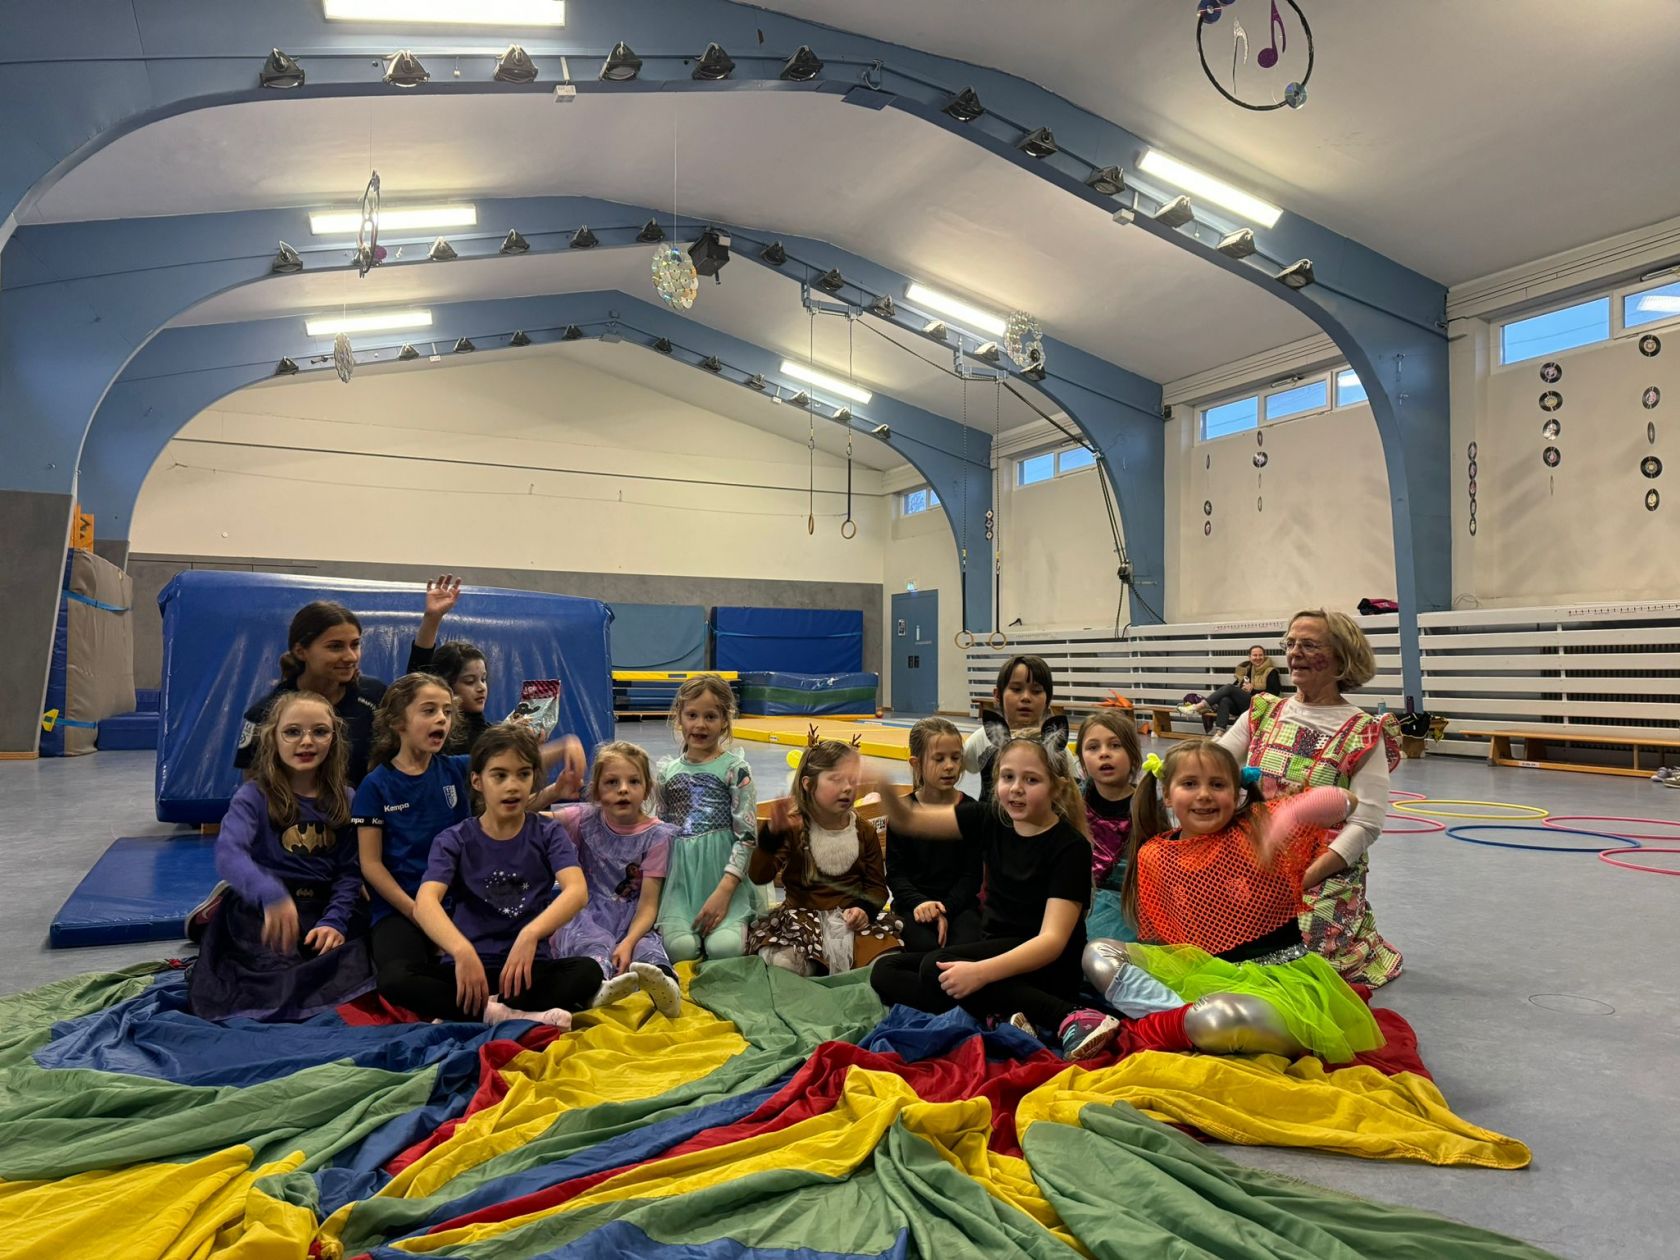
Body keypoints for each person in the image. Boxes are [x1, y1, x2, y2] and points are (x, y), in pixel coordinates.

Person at [1084, 739, 1384, 1063]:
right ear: (1167, 795)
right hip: (1199, 975)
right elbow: (1165, 940)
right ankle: (1184, 1019)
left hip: (1276, 981)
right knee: (1097, 954)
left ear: (1236, 792)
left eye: (1217, 785)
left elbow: (1346, 801)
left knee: (1220, 1017)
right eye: (1189, 784)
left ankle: (1173, 1024)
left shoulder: (1255, 826)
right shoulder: (1155, 854)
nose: (1204, 794)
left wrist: (1288, 817)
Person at [867, 721, 1123, 1061]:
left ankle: (1068, 1015)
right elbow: (911, 819)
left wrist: (980, 973)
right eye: (1007, 777)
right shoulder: (991, 819)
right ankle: (1003, 1011)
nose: (1016, 789)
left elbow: (1052, 941)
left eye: (1031, 780)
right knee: (886, 971)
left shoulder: (1069, 846)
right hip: (997, 947)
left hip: (1045, 964)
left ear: (1057, 787)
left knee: (935, 968)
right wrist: (877, 781)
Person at [353, 673, 583, 1014]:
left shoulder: (454, 769)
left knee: (572, 971)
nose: (441, 719)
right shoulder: (376, 785)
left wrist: (564, 748)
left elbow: (508, 770)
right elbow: (371, 865)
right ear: (398, 721)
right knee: (397, 978)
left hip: (460, 901)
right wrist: (418, 914)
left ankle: (487, 1004)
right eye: (429, 711)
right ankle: (494, 1011)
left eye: (447, 712)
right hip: (404, 907)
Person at [1216, 609, 1404, 988]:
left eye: (1309, 645)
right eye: (1290, 644)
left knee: (1295, 963)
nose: (1295, 653)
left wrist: (1302, 878)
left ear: (1341, 657)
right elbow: (1212, 764)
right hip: (1254, 862)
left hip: (1320, 874)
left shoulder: (1364, 731)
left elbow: (1365, 825)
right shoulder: (1263, 712)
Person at [188, 691, 374, 1020]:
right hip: (266, 910)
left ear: (334, 738)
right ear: (273, 737)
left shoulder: (347, 798)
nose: (307, 741)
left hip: (320, 908)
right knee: (265, 986)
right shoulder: (253, 797)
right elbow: (229, 853)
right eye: (292, 732)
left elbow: (349, 870)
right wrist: (270, 894)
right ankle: (226, 902)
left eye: (320, 731)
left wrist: (334, 920)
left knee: (353, 973)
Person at [405, 725, 601, 1025]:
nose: (513, 786)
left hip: (525, 968)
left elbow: (577, 891)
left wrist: (530, 934)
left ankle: (484, 1011)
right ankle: (512, 1013)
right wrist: (461, 950)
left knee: (588, 971)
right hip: (470, 969)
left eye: (523, 774)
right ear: (477, 781)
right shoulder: (454, 838)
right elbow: (425, 903)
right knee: (396, 980)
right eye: (499, 776)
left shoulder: (548, 833)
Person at [234, 573, 463, 784]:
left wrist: (432, 619)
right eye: (335, 647)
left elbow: (418, 690)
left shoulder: (373, 695)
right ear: (301, 651)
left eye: (355, 645)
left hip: (365, 812)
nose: (350, 656)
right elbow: (255, 788)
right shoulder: (265, 714)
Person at [547, 741, 684, 1018]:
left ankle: (666, 986)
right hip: (588, 914)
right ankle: (598, 987)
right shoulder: (583, 819)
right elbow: (522, 816)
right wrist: (554, 791)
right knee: (593, 945)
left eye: (633, 781)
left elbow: (648, 905)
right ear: (596, 790)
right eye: (612, 782)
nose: (623, 789)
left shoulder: (658, 836)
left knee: (647, 948)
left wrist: (629, 941)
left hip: (634, 918)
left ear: (646, 789)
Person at [747, 739, 903, 976]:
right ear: (808, 785)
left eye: (852, 780)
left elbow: (877, 887)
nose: (847, 788)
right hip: (802, 919)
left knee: (886, 962)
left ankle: (834, 964)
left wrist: (864, 909)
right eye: (836, 780)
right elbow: (759, 876)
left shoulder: (864, 831)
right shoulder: (795, 827)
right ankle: (814, 963)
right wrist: (771, 837)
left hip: (850, 921)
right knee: (784, 965)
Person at [652, 675, 763, 962]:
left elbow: (747, 836)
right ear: (679, 717)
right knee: (680, 950)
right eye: (692, 715)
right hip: (681, 880)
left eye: (710, 716)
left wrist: (725, 891)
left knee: (724, 949)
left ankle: (730, 922)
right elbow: (660, 831)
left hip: (722, 876)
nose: (700, 724)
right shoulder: (667, 772)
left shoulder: (735, 769)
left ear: (725, 720)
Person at [887, 718, 982, 953]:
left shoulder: (970, 811)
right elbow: (897, 875)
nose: (949, 766)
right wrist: (921, 903)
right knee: (925, 947)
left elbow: (971, 875)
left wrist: (944, 909)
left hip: (959, 905)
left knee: (965, 948)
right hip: (913, 905)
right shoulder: (902, 812)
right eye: (939, 759)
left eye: (955, 758)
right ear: (916, 763)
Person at [1076, 711, 1139, 943]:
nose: (1104, 753)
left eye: (1115, 745)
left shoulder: (1146, 805)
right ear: (1082, 760)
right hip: (1076, 899)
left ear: (1133, 755)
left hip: (1127, 908)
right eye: (1093, 747)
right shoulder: (1073, 802)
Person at [961, 654, 1055, 798]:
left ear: (1048, 699)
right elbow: (958, 767)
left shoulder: (1054, 743)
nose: (1026, 697)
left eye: (1036, 691)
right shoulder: (981, 739)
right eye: (1016, 689)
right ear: (997, 695)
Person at [1188, 645, 1284, 734]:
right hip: (1246, 705)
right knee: (1225, 700)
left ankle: (1198, 707)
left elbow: (1274, 693)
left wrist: (1252, 690)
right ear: (1249, 657)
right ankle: (1219, 733)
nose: (1258, 658)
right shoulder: (1248, 669)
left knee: (1229, 687)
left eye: (1260, 655)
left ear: (1264, 656)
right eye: (1255, 655)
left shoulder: (1271, 671)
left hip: (1262, 706)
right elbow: (1237, 687)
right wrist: (1241, 689)